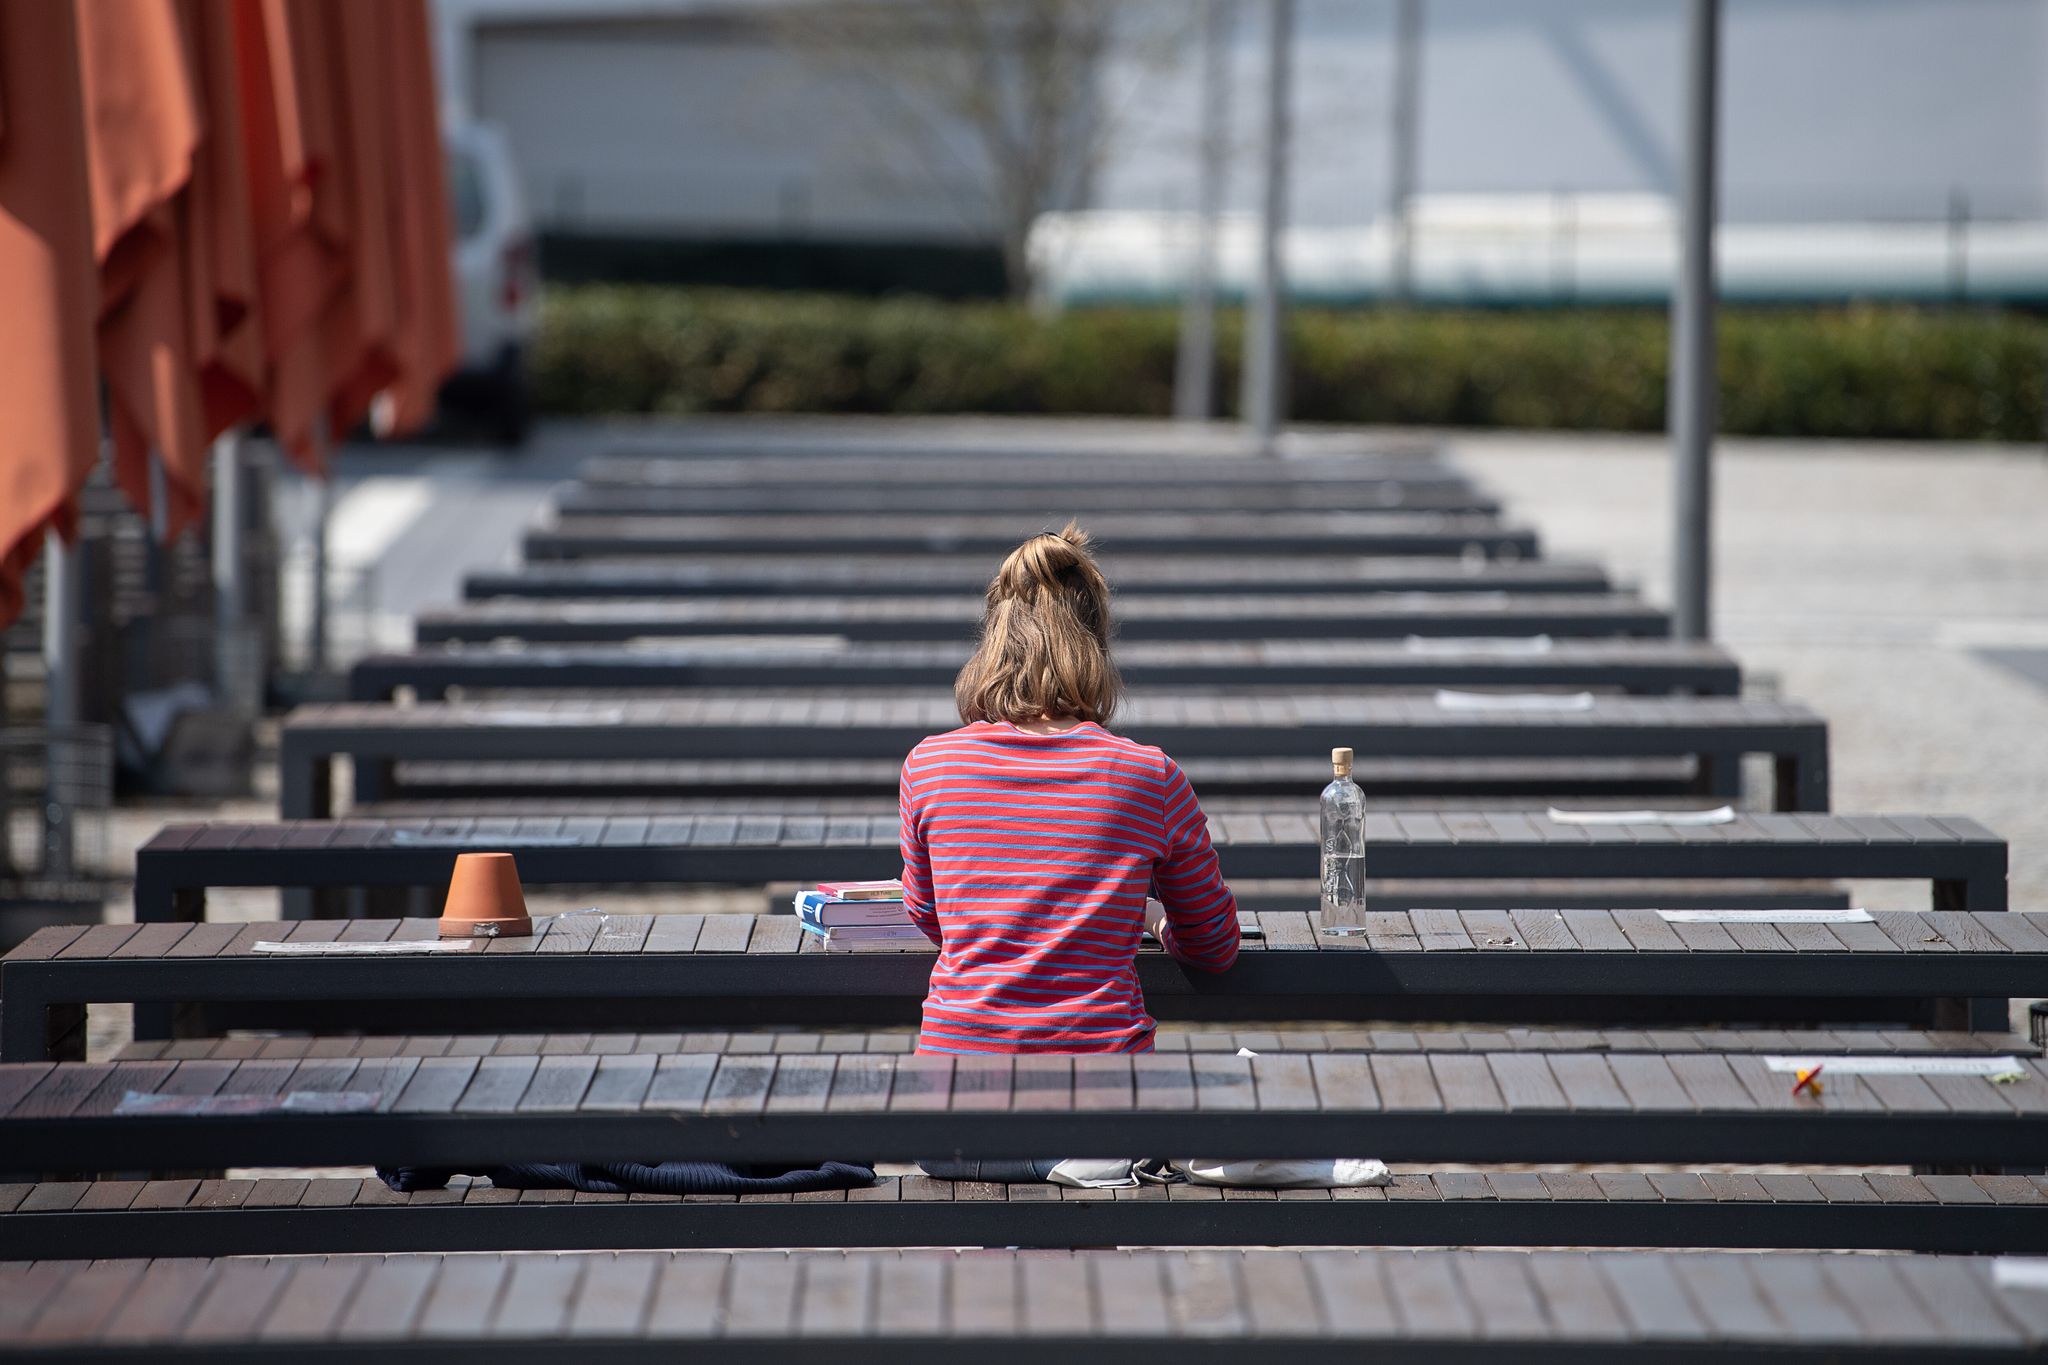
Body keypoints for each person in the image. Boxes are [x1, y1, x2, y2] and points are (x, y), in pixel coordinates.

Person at [897, 522, 1240, 1056]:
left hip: (957, 1075)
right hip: (1103, 1083)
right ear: (1096, 644)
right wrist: (1149, 922)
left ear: (994, 640)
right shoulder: (1151, 777)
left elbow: (931, 917)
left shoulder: (929, 765)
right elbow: (1214, 947)